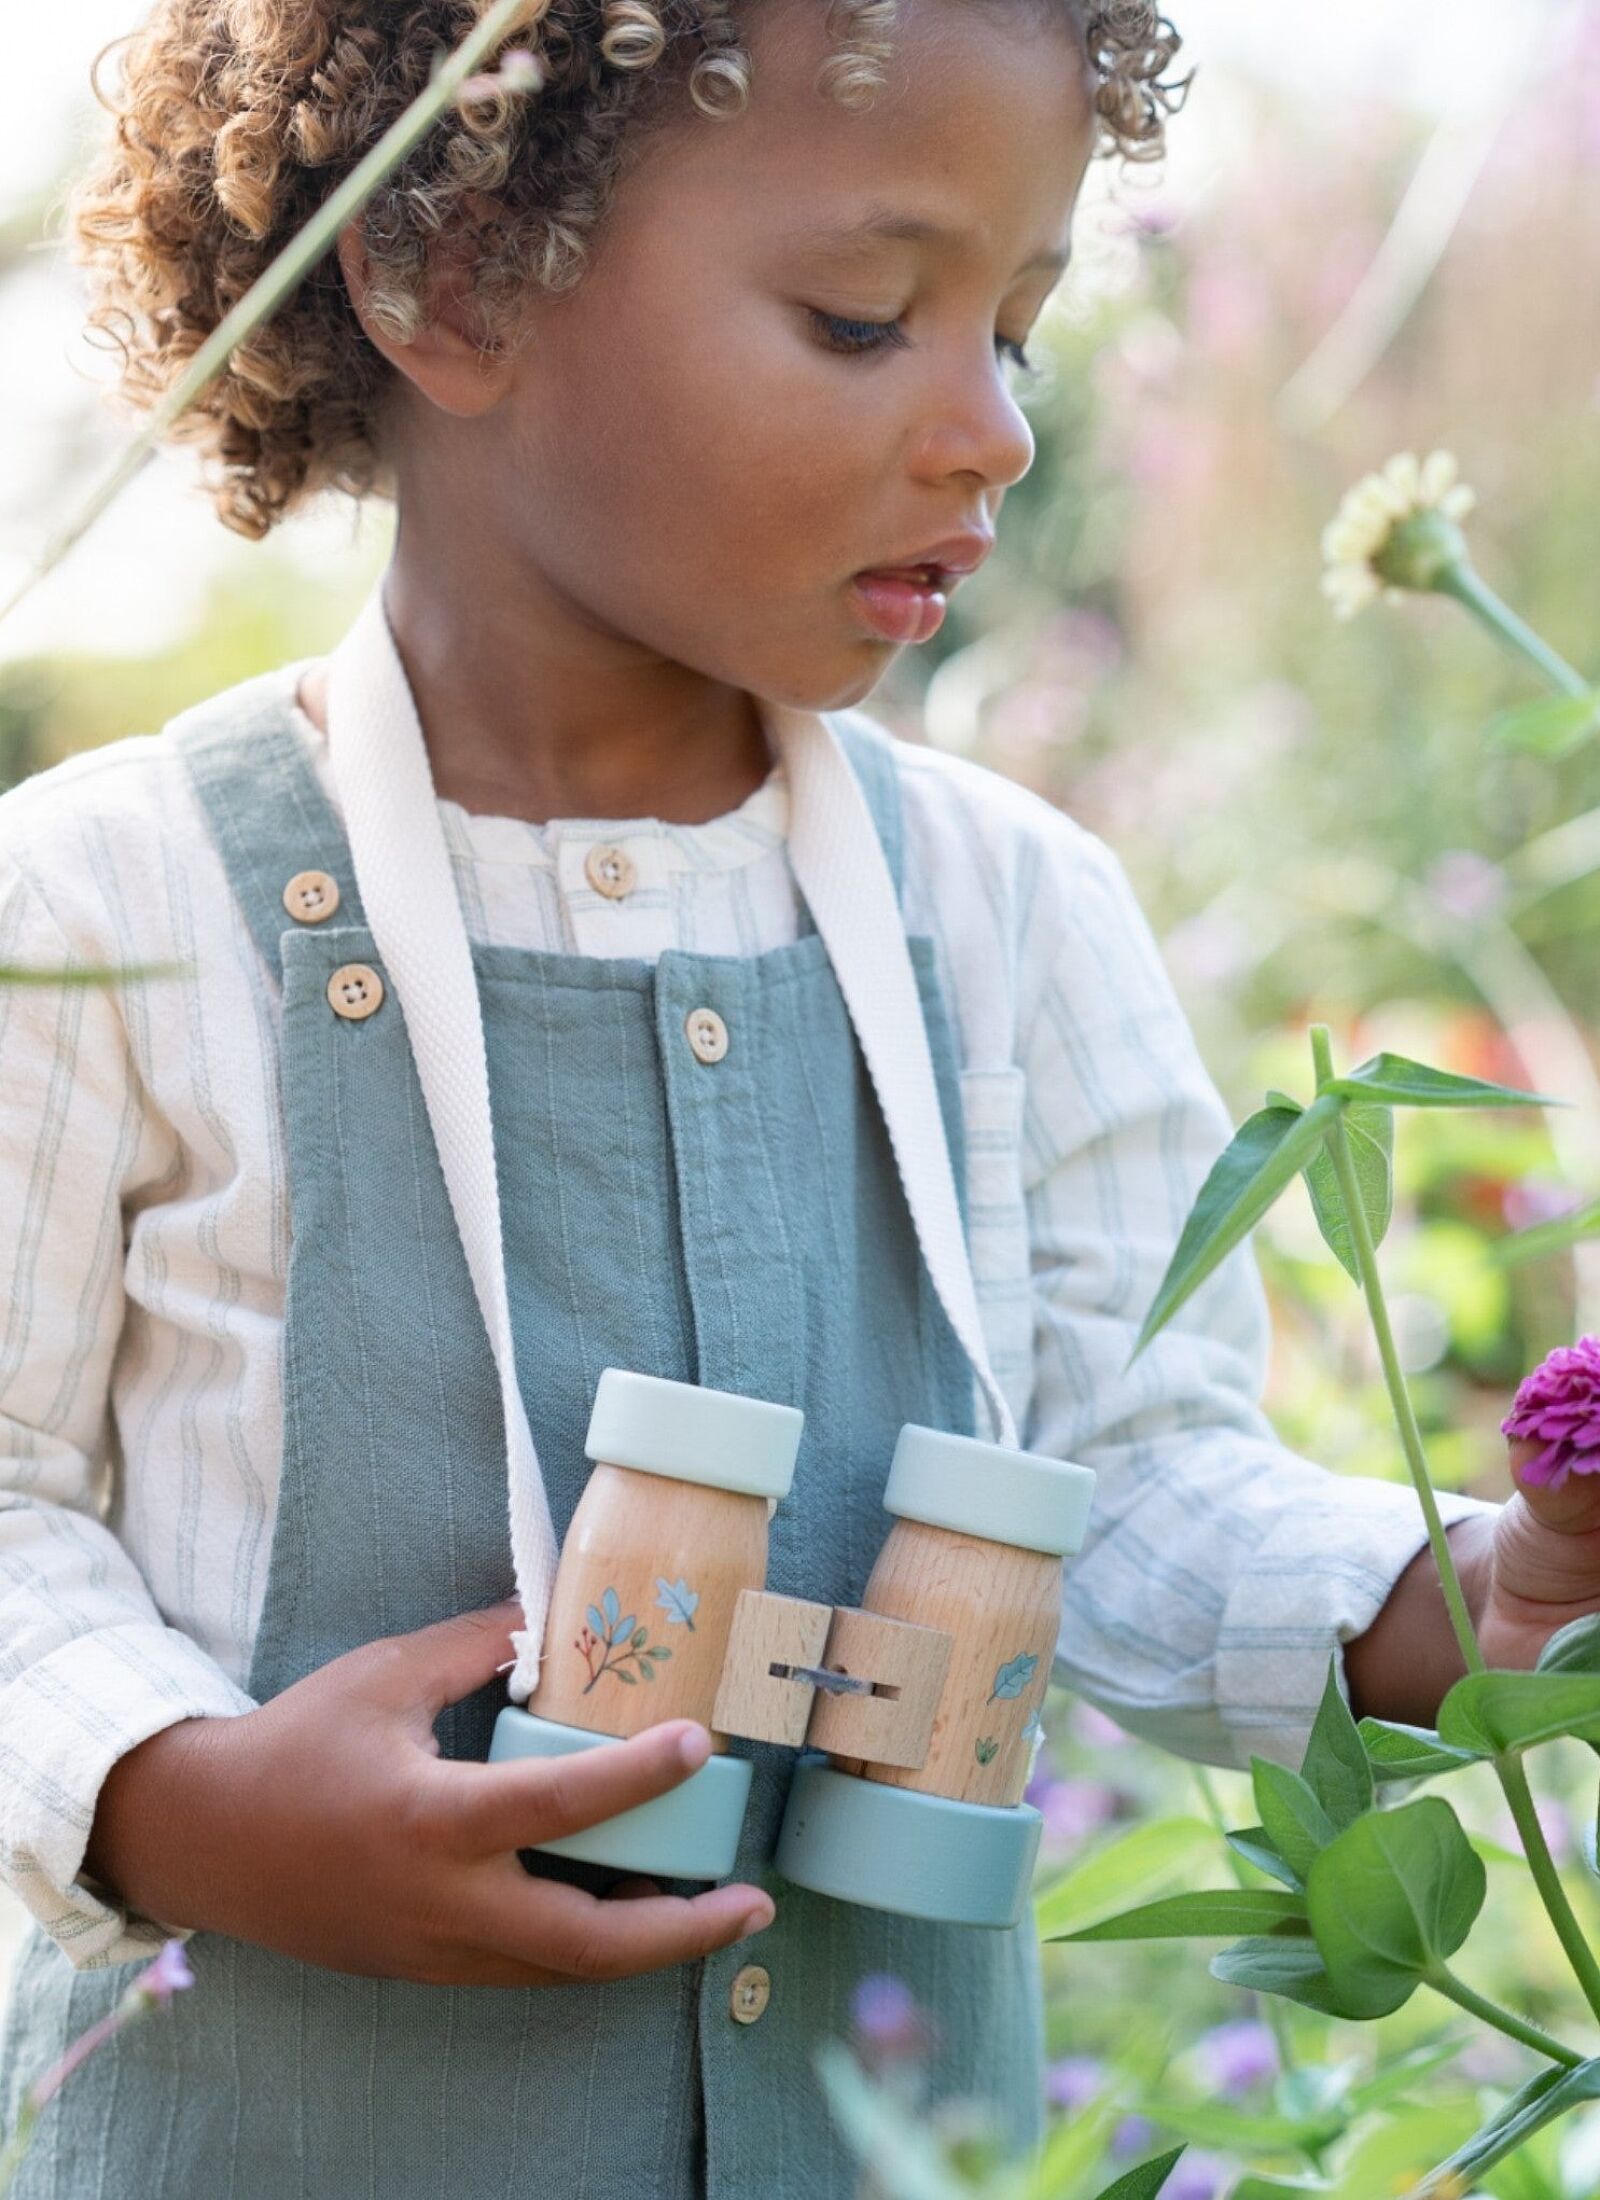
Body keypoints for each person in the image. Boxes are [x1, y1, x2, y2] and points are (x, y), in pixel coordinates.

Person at [0, 1, 1584, 2192]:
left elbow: (1119, 1480)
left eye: (1014, 332)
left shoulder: (1011, 911)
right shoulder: (110, 905)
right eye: (864, 321)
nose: (990, 432)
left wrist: (1469, 1583)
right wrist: (172, 1791)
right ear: (445, 277)